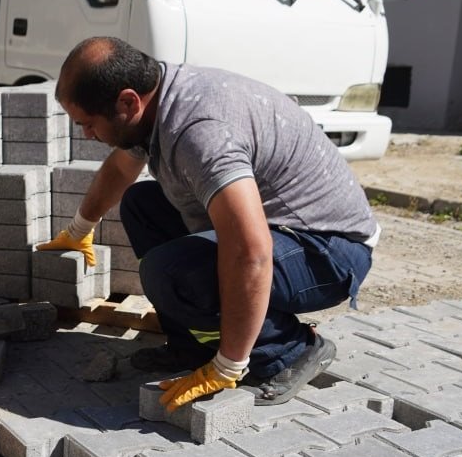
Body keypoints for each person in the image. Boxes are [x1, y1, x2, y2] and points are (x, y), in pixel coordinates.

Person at [38, 37, 377, 410]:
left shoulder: (200, 132)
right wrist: (78, 230)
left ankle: (290, 350)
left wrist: (228, 365)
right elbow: (120, 170)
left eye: (88, 124)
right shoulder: (155, 102)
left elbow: (250, 251)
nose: (87, 134)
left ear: (128, 101)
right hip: (277, 227)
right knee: (141, 204)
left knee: (172, 274)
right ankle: (189, 346)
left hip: (327, 249)